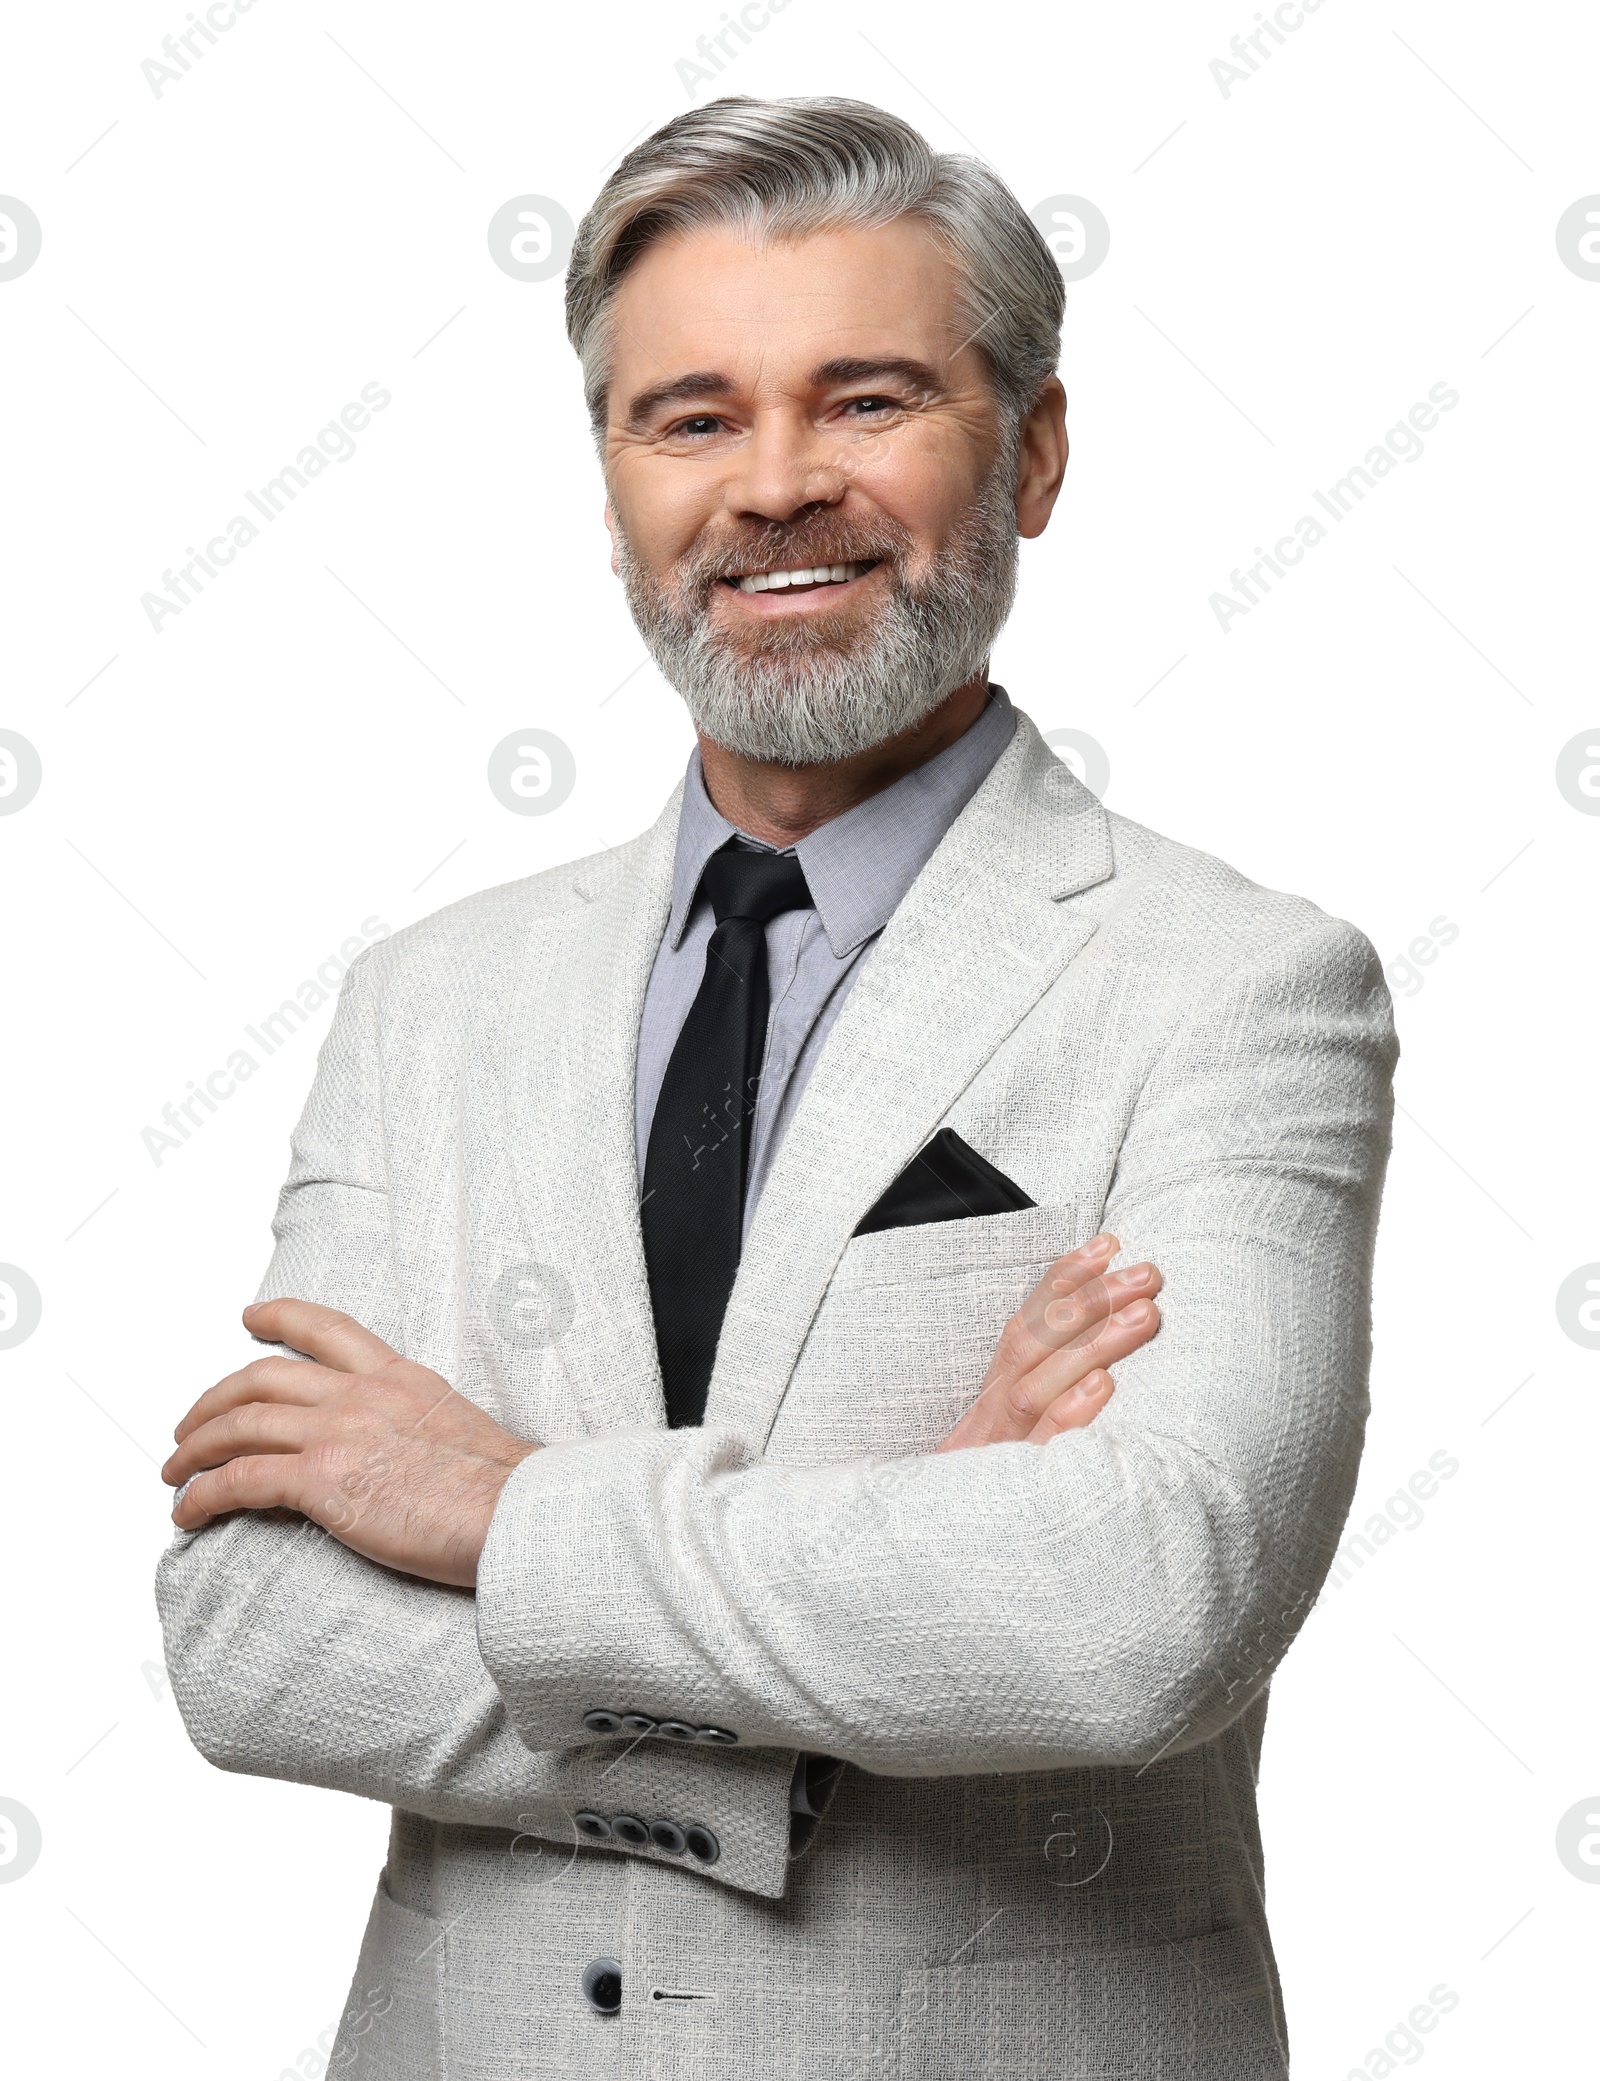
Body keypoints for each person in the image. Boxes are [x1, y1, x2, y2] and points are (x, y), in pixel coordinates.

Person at [156, 96, 1397, 2078]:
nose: (774, 487)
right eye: (692, 418)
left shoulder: (1238, 988)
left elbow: (1140, 1602)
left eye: (867, 399)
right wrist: (892, 1564)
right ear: (615, 481)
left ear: (1035, 450)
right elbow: (248, 1643)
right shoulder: (427, 1002)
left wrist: (495, 1515)